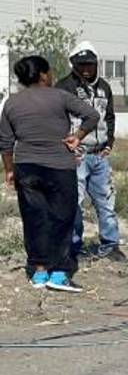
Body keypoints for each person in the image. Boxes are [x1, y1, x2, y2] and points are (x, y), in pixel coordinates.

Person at [0, 55, 99, 292]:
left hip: (26, 167)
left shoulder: (12, 103)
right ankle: (59, 273)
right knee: (61, 219)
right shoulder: (59, 96)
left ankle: (39, 271)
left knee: (34, 219)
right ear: (44, 74)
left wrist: (9, 170)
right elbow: (92, 115)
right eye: (50, 72)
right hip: (58, 167)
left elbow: (5, 142)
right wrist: (79, 136)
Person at [57, 41, 127, 263]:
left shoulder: (104, 87)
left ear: (97, 63)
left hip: (99, 154)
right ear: (74, 65)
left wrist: (109, 143)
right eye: (81, 64)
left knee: (106, 201)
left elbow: (109, 117)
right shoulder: (64, 87)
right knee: (73, 203)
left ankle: (110, 244)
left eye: (90, 64)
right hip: (76, 156)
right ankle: (73, 248)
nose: (86, 68)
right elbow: (58, 118)